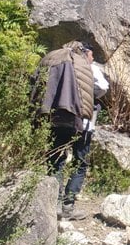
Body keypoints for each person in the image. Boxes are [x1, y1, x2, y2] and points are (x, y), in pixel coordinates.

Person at [36, 40, 103, 220]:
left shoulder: (53, 60)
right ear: (85, 52)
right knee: (80, 163)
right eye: (92, 54)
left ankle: (54, 203)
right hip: (82, 123)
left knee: (56, 160)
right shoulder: (88, 66)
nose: (93, 58)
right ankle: (68, 206)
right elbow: (103, 87)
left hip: (54, 119)